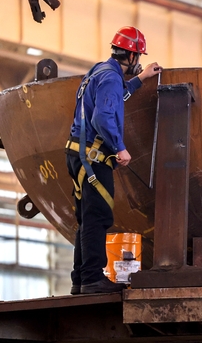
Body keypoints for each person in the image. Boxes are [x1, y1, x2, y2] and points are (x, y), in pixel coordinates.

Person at [65, 26, 162, 294]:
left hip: (77, 153)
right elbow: (102, 117)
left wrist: (141, 78)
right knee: (98, 217)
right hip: (93, 156)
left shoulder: (100, 71)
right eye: (138, 57)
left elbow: (116, 95)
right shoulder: (109, 78)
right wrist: (119, 148)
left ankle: (81, 280)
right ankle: (94, 279)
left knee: (87, 219)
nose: (138, 61)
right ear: (130, 56)